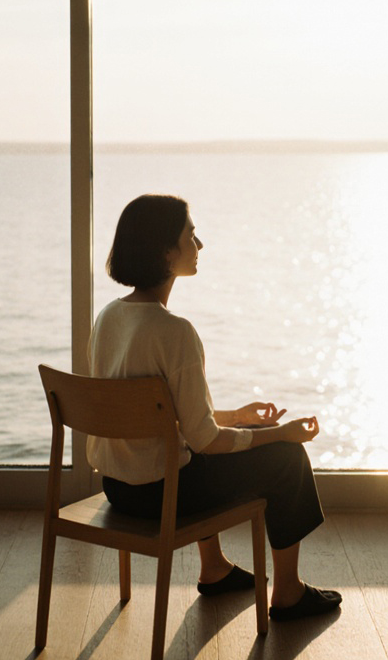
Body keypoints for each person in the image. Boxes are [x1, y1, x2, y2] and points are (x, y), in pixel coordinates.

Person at [88, 193, 341, 621]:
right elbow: (205, 440)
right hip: (163, 496)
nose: (199, 245)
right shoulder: (176, 333)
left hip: (118, 488)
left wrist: (238, 418)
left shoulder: (109, 317)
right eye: (191, 235)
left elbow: (165, 419)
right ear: (167, 251)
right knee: (288, 459)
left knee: (202, 452)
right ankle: (289, 592)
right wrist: (281, 434)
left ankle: (215, 568)